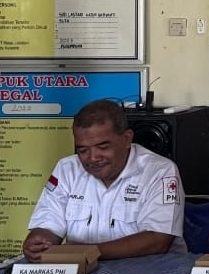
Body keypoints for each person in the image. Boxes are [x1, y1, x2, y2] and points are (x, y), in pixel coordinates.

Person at [22, 99, 186, 261]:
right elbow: (48, 224)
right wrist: (39, 242)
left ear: (127, 139)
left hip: (149, 272)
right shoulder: (67, 169)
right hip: (82, 271)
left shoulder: (160, 171)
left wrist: (87, 252)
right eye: (83, 150)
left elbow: (157, 241)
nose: (92, 158)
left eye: (103, 147)